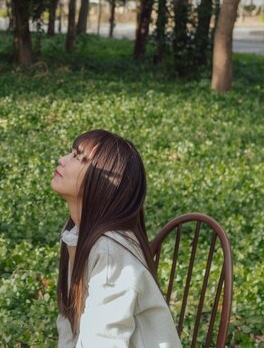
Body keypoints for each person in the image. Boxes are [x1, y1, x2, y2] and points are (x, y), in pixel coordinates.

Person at [52, 129, 182, 347]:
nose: (62, 160)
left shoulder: (110, 251)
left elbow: (104, 341)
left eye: (78, 157)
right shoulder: (76, 234)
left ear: (104, 183)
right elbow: (71, 322)